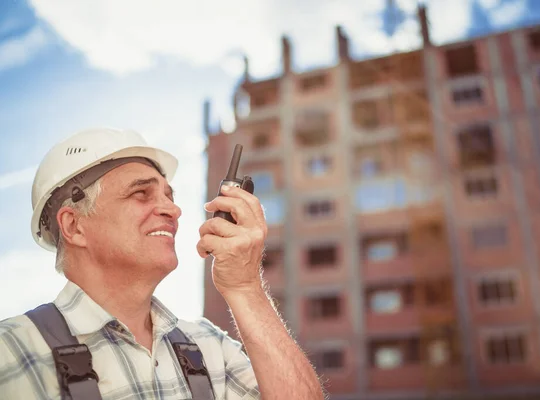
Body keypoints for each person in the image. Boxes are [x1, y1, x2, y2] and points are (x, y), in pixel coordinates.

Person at [0, 128, 325, 400]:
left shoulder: (207, 348)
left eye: (169, 195)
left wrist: (245, 288)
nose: (173, 210)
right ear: (74, 226)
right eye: (141, 194)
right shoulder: (12, 354)